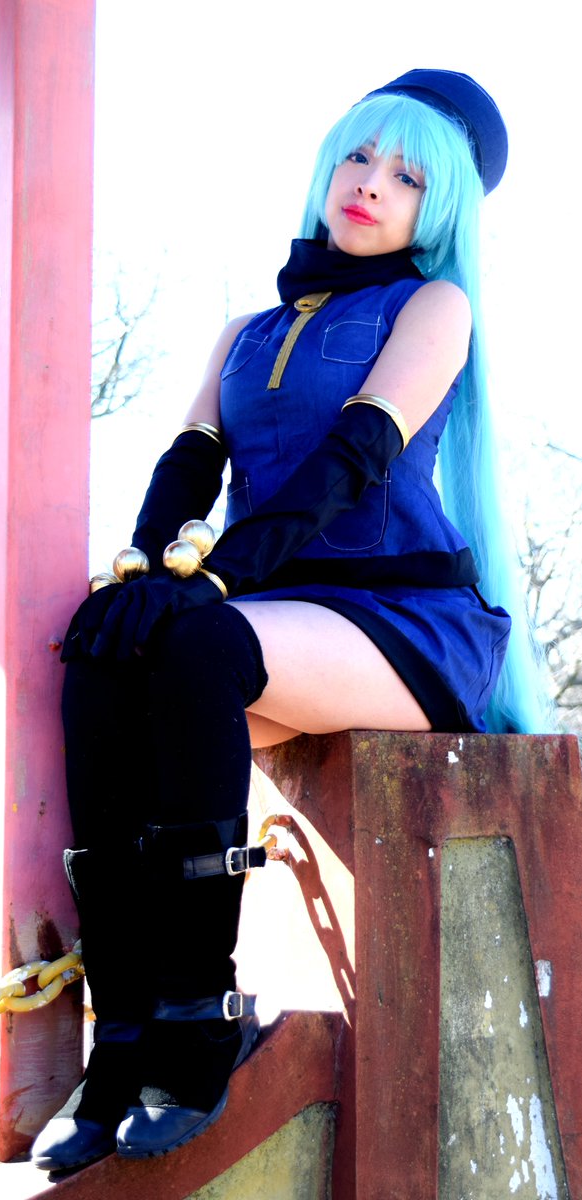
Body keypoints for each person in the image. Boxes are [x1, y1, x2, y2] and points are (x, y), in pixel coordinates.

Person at [31, 68, 549, 1172]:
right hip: (271, 608)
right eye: (359, 156)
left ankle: (198, 1021)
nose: (371, 183)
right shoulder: (244, 332)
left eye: (408, 176)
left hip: (400, 617)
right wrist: (142, 573)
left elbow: (357, 455)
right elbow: (187, 468)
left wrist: (211, 581)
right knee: (102, 650)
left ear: (440, 209)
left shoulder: (432, 308)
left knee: (195, 642)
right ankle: (120, 1041)